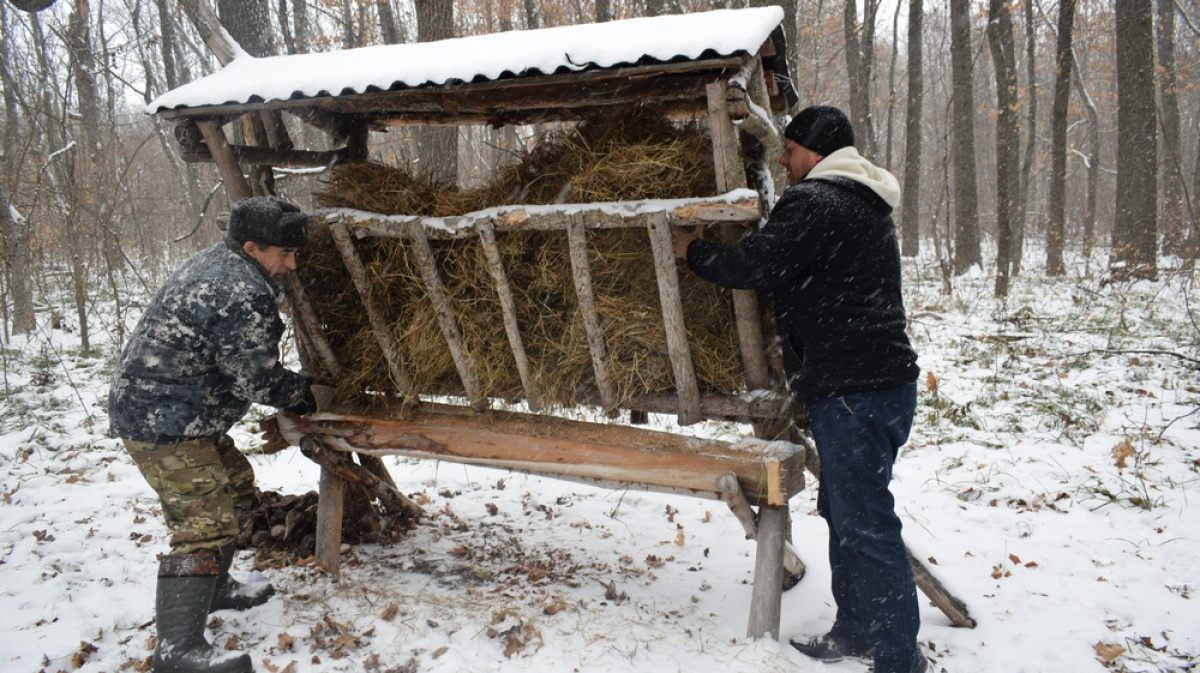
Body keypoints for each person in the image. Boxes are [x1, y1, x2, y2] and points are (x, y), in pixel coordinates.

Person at [671, 106, 926, 673]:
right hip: (876, 384)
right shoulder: (862, 201)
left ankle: (897, 657)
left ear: (815, 151)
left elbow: (758, 264)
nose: (783, 161)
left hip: (855, 391)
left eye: (789, 150)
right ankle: (858, 629)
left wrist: (694, 251)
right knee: (848, 512)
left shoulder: (819, 200)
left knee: (866, 523)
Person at [109, 196, 318, 673]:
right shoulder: (240, 291)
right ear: (250, 246)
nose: (291, 265)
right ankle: (177, 650)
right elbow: (254, 378)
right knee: (203, 526)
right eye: (282, 255)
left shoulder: (226, 263)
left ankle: (217, 588)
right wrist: (303, 394)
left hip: (183, 412)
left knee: (237, 486)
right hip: (162, 421)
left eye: (294, 254)